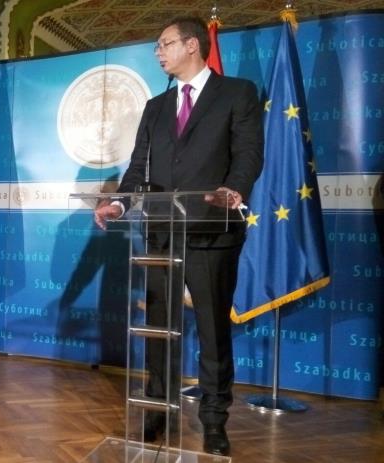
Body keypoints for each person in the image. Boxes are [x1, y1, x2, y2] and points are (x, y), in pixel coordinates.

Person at [94, 16, 263, 456]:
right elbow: (138, 167)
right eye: (157, 46)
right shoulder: (155, 107)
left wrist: (234, 189)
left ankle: (214, 419)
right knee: (159, 329)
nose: (158, 52)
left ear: (192, 45)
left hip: (212, 231)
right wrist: (119, 204)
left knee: (212, 330)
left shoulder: (237, 93)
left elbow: (248, 154)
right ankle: (158, 408)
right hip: (162, 235)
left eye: (164, 44)